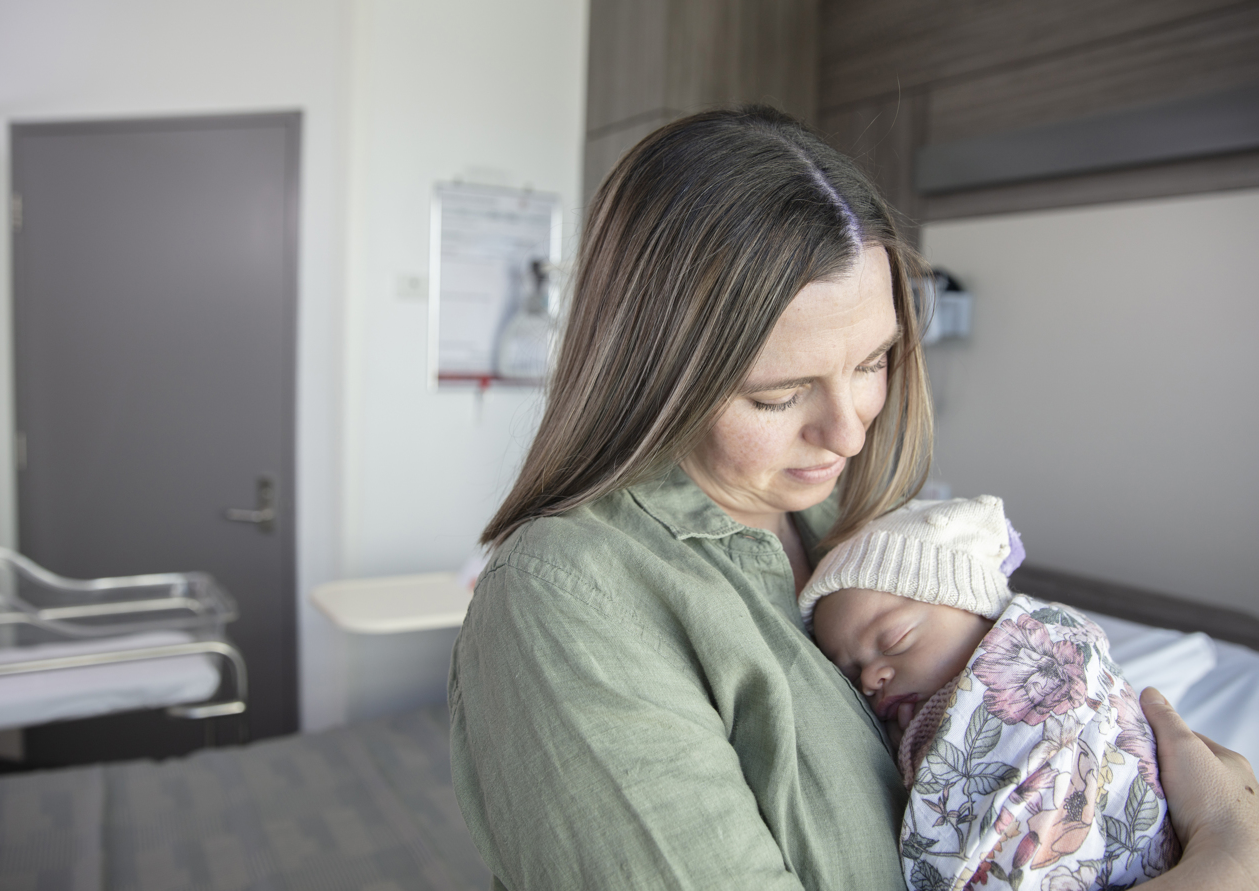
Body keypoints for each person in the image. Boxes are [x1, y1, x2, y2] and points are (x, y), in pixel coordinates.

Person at [447, 106, 1259, 890]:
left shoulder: (852, 522)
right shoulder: (568, 599)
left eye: (873, 362)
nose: (847, 432)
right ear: (655, 379)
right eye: (779, 395)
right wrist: (1225, 863)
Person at [800, 496, 1177, 890]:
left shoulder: (1051, 656)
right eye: (851, 672)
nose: (870, 678)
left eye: (894, 641)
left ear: (978, 613)